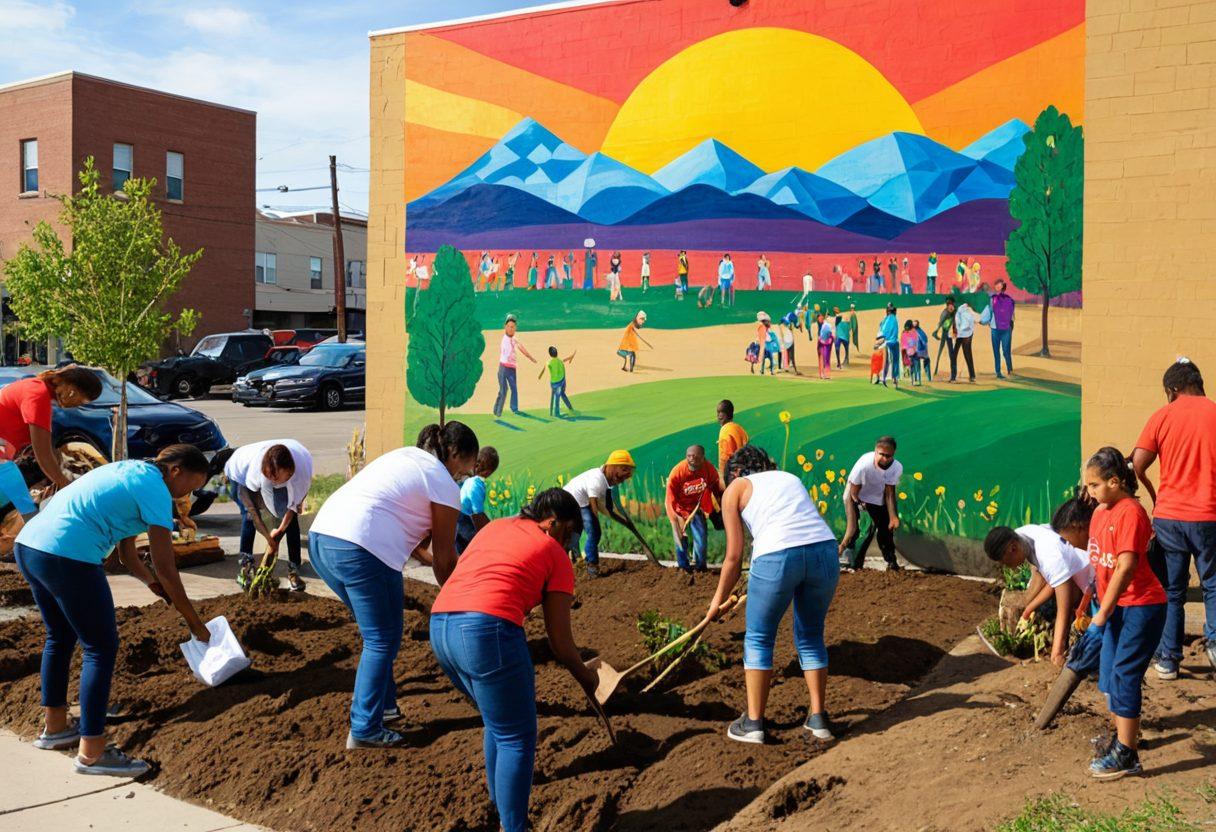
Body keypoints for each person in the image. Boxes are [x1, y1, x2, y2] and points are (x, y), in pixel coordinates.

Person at [15, 445, 212, 775]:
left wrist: (152, 585)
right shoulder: (156, 490)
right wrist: (195, 623)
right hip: (68, 555)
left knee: (60, 636)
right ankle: (92, 752)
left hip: (31, 547)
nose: (187, 496)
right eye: (190, 487)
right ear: (175, 470)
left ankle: (56, 728)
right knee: (100, 647)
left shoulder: (129, 471)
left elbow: (126, 555)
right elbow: (166, 565)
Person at [430, 488, 598, 832]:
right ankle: (514, 826)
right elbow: (561, 643)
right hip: (485, 631)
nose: (569, 543)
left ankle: (498, 805)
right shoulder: (554, 554)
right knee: (517, 736)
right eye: (569, 533)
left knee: (499, 723)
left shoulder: (495, 527)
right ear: (552, 523)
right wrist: (588, 679)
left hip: (442, 626)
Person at [309, 422, 476, 748]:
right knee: (382, 638)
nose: (461, 478)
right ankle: (364, 729)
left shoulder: (405, 458)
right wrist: (462, 598)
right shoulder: (442, 483)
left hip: (323, 540)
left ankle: (383, 709)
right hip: (363, 548)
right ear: (455, 454)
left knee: (378, 636)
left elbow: (414, 541)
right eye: (464, 470)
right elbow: (444, 558)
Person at [707, 444, 840, 743]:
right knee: (810, 635)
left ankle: (753, 723)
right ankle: (818, 719)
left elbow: (733, 556)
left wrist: (716, 602)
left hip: (777, 556)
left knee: (758, 637)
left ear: (737, 472)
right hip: (825, 552)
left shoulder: (736, 488)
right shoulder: (788, 477)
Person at [1082, 447, 1167, 780]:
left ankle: (1127, 754)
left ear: (1114, 481)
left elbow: (1127, 566)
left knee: (1125, 675)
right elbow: (1100, 562)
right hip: (1115, 605)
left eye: (1093, 485)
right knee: (1109, 677)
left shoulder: (1130, 512)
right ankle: (1121, 738)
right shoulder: (1102, 511)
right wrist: (1093, 599)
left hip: (1142, 606)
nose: (1088, 492)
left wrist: (1101, 615)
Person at [1133, 359, 1216, 679]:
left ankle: (1168, 660)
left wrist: (1155, 494)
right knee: (1212, 583)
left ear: (1173, 389)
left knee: (1171, 590)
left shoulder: (1162, 416)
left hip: (1169, 517)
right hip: (1209, 515)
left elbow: (1138, 463)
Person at [984, 496, 1096, 666]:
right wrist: (1028, 608)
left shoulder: (1048, 553)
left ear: (1013, 548)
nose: (1011, 568)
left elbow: (1063, 608)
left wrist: (1057, 652)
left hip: (1094, 582)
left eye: (1007, 562)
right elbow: (1046, 577)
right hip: (1077, 575)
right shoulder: (1023, 534)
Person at [226, 439, 314, 593]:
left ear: (290, 472)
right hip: (239, 469)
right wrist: (269, 539)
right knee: (249, 516)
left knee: (290, 520)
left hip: (290, 463)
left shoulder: (301, 473)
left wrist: (280, 530)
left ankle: (293, 568)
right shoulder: (252, 472)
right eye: (270, 477)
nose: (273, 481)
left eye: (276, 478)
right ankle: (246, 565)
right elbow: (253, 511)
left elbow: (294, 506)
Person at [0, 366, 102, 493]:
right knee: (25, 507)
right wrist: (67, 487)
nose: (76, 406)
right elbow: (44, 455)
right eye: (80, 401)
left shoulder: (36, 388)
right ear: (72, 391)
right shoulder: (38, 395)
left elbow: (46, 448)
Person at [564, 451, 636, 577]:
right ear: (611, 467)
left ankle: (576, 561)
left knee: (575, 532)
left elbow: (605, 506)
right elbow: (594, 502)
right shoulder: (597, 479)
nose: (624, 477)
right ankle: (591, 565)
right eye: (623, 469)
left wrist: (622, 519)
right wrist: (595, 521)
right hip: (574, 501)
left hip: (578, 501)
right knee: (594, 532)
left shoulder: (604, 481)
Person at [839, 437, 902, 569]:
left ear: (893, 454)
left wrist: (892, 516)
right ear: (875, 451)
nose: (884, 459)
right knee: (863, 530)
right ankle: (853, 563)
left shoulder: (896, 467)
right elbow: (854, 490)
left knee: (886, 530)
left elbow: (890, 493)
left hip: (878, 497)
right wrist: (861, 506)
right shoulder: (864, 466)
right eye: (881, 455)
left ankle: (891, 562)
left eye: (888, 456)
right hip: (855, 496)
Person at [665, 445, 723, 572]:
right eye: (689, 456)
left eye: (696, 457)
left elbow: (715, 487)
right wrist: (675, 524)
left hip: (697, 508)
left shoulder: (708, 468)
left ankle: (701, 569)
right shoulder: (678, 472)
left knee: (701, 539)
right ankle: (684, 569)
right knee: (681, 539)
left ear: (703, 458)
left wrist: (720, 507)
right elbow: (670, 501)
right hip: (680, 509)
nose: (692, 459)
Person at [456, 447, 499, 555]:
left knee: (460, 548)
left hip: (456, 517)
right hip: (464, 520)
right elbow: (477, 514)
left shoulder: (464, 475)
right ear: (488, 472)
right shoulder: (476, 484)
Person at [493, 315, 537, 417]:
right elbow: (506, 352)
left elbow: (522, 348)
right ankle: (497, 412)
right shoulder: (504, 339)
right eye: (508, 326)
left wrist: (530, 357)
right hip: (503, 368)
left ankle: (514, 408)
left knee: (514, 389)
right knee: (503, 391)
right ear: (505, 327)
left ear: (515, 328)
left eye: (513, 327)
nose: (510, 328)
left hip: (512, 369)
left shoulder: (514, 339)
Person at [982, 279, 1015, 379]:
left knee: (1006, 351)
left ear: (1003, 286)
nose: (996, 286)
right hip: (995, 329)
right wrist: (986, 321)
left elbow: (1012, 316)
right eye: (996, 284)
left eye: (999, 284)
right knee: (996, 351)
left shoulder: (1009, 299)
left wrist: (1010, 327)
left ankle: (1010, 368)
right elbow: (990, 311)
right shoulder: (992, 298)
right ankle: (998, 372)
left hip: (1005, 329)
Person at [539, 346, 576, 417]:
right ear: (557, 353)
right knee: (562, 394)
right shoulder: (560, 360)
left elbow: (543, 370)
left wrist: (540, 376)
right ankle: (570, 407)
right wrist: (571, 356)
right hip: (562, 382)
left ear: (550, 354)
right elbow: (567, 359)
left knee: (557, 397)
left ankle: (557, 413)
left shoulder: (549, 362)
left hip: (555, 383)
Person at [716, 400, 749, 476]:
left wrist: (722, 475)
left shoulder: (724, 431)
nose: (718, 416)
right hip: (743, 468)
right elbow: (745, 441)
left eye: (718, 413)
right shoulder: (738, 427)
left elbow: (725, 458)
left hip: (732, 473)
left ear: (722, 416)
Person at [952, 301, 978, 383]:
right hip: (962, 334)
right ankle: (971, 375)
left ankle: (971, 375)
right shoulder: (962, 310)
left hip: (965, 335)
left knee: (965, 354)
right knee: (965, 354)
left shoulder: (966, 310)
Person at [934, 297, 958, 379]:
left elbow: (954, 322)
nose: (951, 307)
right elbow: (940, 323)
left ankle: (953, 375)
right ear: (947, 306)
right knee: (940, 350)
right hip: (945, 333)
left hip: (950, 334)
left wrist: (955, 331)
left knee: (952, 354)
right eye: (949, 306)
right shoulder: (944, 313)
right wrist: (936, 331)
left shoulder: (954, 312)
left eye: (952, 305)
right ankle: (936, 369)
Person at [879, 303, 900, 387]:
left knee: (886, 361)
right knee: (895, 360)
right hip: (894, 342)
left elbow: (882, 329)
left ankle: (883, 378)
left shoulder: (885, 319)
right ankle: (895, 379)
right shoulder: (895, 319)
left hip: (887, 342)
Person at [778, 310, 800, 375]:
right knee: (790, 354)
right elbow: (796, 326)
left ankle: (784, 366)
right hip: (789, 340)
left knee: (785, 353)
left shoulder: (786, 323)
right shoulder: (791, 323)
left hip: (786, 340)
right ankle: (792, 368)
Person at [900, 320, 921, 386]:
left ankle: (914, 380)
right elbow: (915, 341)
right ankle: (916, 380)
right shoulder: (913, 332)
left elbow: (903, 344)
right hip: (913, 352)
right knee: (915, 366)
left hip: (910, 352)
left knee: (913, 366)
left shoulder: (905, 333)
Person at [816, 314, 834, 380]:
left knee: (826, 359)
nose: (820, 319)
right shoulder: (821, 325)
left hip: (825, 342)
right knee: (822, 358)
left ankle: (826, 374)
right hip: (821, 343)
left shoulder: (826, 325)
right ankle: (822, 374)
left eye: (821, 318)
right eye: (819, 318)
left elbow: (829, 333)